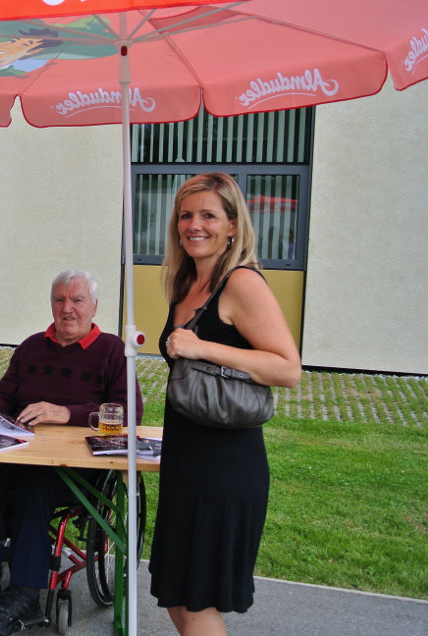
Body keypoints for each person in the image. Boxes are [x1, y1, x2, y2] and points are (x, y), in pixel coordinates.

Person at [0, 269, 143, 636]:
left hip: (77, 468)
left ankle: (26, 593)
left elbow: (130, 412)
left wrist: (68, 413)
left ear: (94, 306)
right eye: (59, 300)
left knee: (37, 477)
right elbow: (6, 395)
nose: (67, 309)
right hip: (22, 452)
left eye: (77, 300)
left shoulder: (112, 350)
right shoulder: (31, 346)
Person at [150, 173, 301, 636]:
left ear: (233, 225)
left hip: (224, 465)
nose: (194, 225)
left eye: (208, 215)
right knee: (176, 594)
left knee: (197, 601)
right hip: (185, 460)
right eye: (185, 215)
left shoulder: (241, 282)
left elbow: (288, 369)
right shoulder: (187, 283)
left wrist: (203, 347)